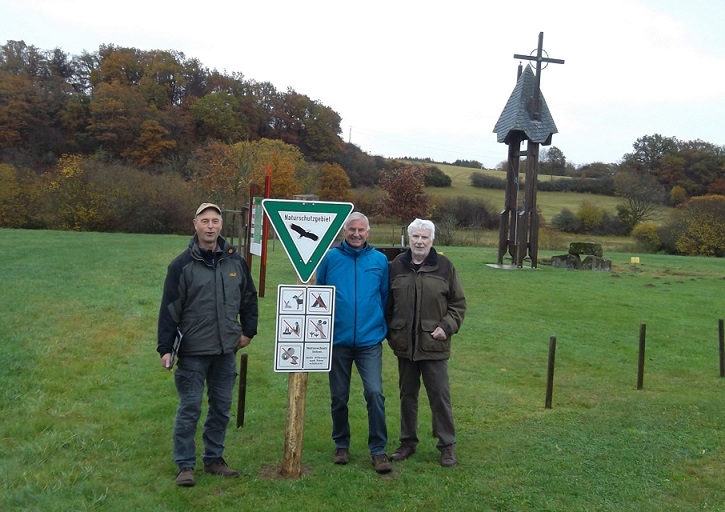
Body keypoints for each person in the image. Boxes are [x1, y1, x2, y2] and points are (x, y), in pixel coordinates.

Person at [158, 203, 258, 487]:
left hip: (226, 350)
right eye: (205, 221)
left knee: (221, 408)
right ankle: (185, 466)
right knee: (189, 408)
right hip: (192, 352)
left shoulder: (235, 262)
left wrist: (248, 331)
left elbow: (248, 298)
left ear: (221, 225)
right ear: (195, 224)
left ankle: (214, 459)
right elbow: (169, 309)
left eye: (215, 221)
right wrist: (165, 348)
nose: (210, 226)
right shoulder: (181, 265)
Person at [315, 212, 392, 474]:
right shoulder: (330, 258)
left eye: (361, 230)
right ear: (344, 232)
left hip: (369, 341)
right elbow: (320, 294)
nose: (356, 234)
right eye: (351, 230)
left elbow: (383, 297)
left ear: (368, 232)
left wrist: (373, 323)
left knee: (374, 393)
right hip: (338, 340)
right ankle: (341, 444)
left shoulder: (380, 261)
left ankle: (378, 449)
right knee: (338, 396)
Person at [386, 218, 466, 467]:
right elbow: (387, 303)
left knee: (439, 397)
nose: (419, 241)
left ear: (432, 240)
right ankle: (407, 442)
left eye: (424, 237)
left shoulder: (445, 266)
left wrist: (446, 327)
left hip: (434, 344)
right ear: (409, 239)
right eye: (415, 237)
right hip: (405, 346)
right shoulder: (397, 265)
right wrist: (392, 332)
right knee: (407, 396)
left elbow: (458, 304)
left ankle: (447, 445)